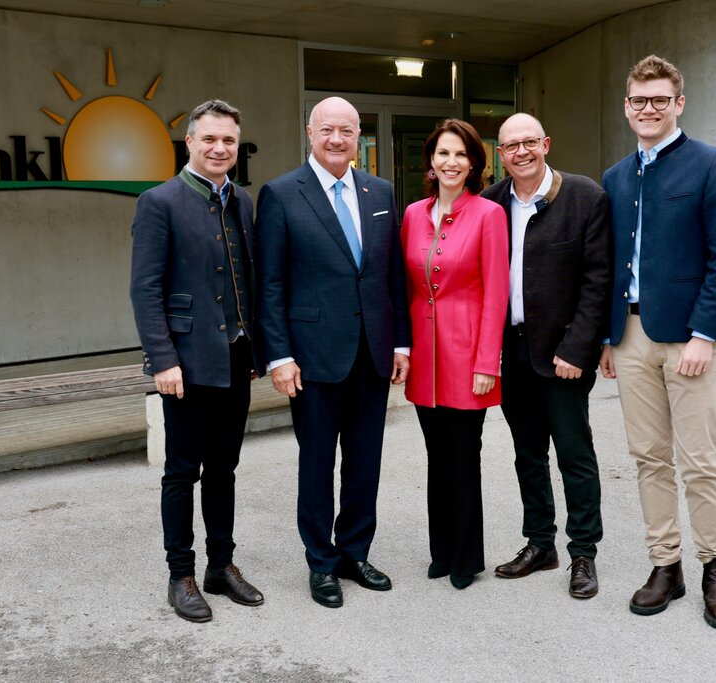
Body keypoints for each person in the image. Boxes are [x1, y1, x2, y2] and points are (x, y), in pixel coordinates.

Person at [599, 55, 716, 629]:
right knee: (647, 459)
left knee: (700, 462)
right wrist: (612, 337)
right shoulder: (616, 176)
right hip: (631, 335)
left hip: (691, 339)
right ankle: (666, 565)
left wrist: (705, 333)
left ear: (678, 103)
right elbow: (613, 264)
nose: (649, 109)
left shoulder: (713, 164)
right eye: (639, 100)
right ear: (627, 105)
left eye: (660, 99)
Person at [255, 96, 411, 608]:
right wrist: (278, 356)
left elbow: (392, 277)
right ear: (310, 132)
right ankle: (320, 563)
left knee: (366, 461)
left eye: (346, 130)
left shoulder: (380, 191)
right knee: (318, 464)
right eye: (327, 130)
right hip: (312, 357)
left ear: (358, 134)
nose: (337, 139)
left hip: (371, 354)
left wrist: (400, 343)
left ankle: (354, 552)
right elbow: (271, 284)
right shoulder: (281, 194)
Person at [129, 99, 265, 623]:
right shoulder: (158, 201)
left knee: (225, 467)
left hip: (234, 357)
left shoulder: (243, 201)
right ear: (189, 142)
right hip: (182, 364)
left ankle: (221, 565)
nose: (219, 148)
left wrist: (255, 347)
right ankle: (180, 574)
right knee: (182, 471)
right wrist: (162, 359)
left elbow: (247, 280)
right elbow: (145, 290)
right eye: (209, 139)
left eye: (228, 140)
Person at [482, 113, 611, 599]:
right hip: (512, 351)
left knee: (575, 455)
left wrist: (578, 347)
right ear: (500, 153)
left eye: (529, 142)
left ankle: (583, 553)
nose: (521, 152)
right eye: (511, 145)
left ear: (546, 143)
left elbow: (598, 280)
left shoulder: (584, 196)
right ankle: (540, 543)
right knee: (527, 454)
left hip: (563, 355)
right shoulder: (491, 201)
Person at [401, 119, 509, 590]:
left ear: (474, 164)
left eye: (460, 155)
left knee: (464, 456)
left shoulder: (488, 215)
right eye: (443, 153)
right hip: (425, 356)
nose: (450, 162)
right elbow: (404, 287)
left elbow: (496, 294)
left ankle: (466, 557)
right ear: (431, 162)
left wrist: (488, 362)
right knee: (435, 455)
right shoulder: (411, 214)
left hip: (468, 358)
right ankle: (440, 550)